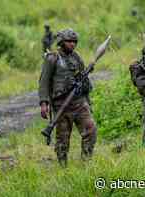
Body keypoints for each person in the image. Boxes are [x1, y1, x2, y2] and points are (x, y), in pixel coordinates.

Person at [38, 28, 97, 167]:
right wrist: (44, 103)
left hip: (79, 102)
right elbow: (44, 82)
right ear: (61, 42)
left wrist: (87, 97)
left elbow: (83, 78)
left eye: (74, 42)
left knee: (91, 130)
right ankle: (63, 166)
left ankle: (86, 162)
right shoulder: (52, 58)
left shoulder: (76, 57)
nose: (72, 44)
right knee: (63, 139)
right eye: (69, 41)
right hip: (61, 105)